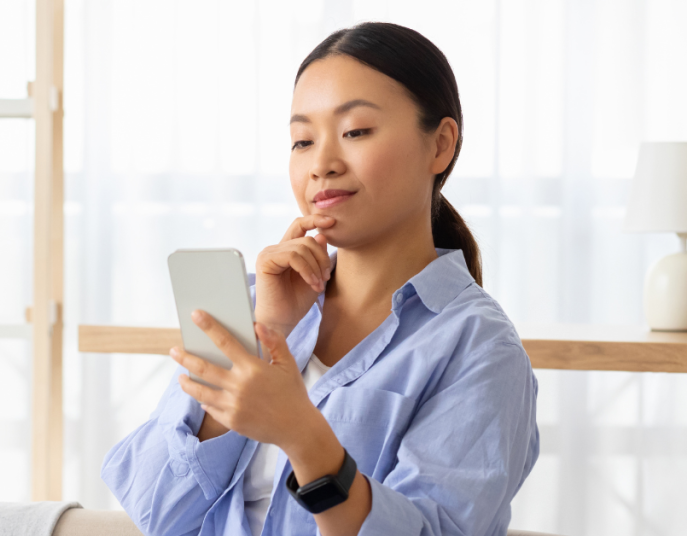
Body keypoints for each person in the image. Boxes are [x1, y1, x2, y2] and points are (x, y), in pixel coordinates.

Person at [101, 22, 539, 536]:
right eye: (302, 141)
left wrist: (302, 434)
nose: (321, 165)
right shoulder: (256, 304)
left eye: (355, 131)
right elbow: (159, 516)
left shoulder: (479, 348)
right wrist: (264, 334)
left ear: (440, 145)